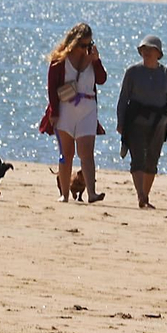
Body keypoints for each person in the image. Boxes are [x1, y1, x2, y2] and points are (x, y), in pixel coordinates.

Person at [39, 22, 107, 203]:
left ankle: (92, 193)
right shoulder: (59, 61)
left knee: (87, 153)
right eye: (82, 45)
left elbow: (102, 79)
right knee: (66, 154)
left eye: (89, 45)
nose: (85, 49)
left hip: (88, 108)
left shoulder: (91, 60)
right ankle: (64, 194)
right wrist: (53, 112)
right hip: (65, 109)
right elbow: (52, 88)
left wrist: (96, 60)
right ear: (73, 43)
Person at [116, 34, 167, 209]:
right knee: (137, 158)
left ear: (158, 53)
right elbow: (123, 98)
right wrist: (120, 122)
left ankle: (145, 195)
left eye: (151, 49)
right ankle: (140, 195)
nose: (147, 52)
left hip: (159, 121)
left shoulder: (166, 74)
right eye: (144, 49)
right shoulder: (132, 72)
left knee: (152, 159)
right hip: (136, 120)